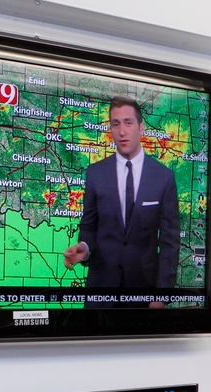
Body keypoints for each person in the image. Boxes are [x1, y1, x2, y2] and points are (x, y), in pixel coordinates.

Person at [64, 95, 180, 308]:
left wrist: (161, 296)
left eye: (128, 122)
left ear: (141, 127)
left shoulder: (163, 178)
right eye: (115, 124)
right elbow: (89, 225)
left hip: (143, 293)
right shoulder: (95, 173)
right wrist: (84, 247)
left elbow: (170, 242)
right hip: (101, 292)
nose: (122, 131)